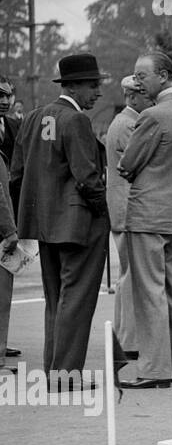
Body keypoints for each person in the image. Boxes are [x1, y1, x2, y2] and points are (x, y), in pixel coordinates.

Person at [10, 54, 111, 390]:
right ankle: (66, 377)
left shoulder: (32, 118)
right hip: (77, 224)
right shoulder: (76, 120)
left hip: (42, 222)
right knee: (77, 300)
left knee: (55, 299)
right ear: (74, 85)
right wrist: (102, 209)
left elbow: (17, 175)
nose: (97, 91)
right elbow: (87, 177)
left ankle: (54, 370)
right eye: (93, 84)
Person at [117, 52, 172, 389]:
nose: (137, 82)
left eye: (142, 76)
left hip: (147, 214)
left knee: (149, 292)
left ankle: (154, 370)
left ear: (164, 76)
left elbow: (128, 164)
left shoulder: (152, 116)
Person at [105, 75, 155, 359]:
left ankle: (128, 337)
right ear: (133, 97)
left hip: (123, 207)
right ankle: (129, 339)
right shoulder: (129, 125)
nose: (152, 101)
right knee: (131, 278)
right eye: (147, 96)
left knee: (129, 276)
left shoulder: (121, 122)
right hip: (128, 209)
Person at [0, 76, 21, 368]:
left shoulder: (15, 127)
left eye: (8, 96)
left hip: (11, 212)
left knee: (5, 288)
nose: (5, 101)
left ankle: (2, 343)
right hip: (3, 219)